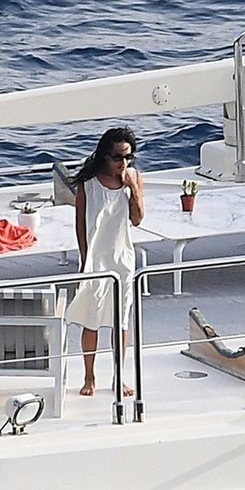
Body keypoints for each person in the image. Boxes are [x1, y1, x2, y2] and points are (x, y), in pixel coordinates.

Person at [68, 127, 144, 397]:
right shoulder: (88, 183)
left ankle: (118, 376)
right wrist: (84, 259)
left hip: (122, 259)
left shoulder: (133, 178)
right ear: (105, 156)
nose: (123, 163)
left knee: (120, 321)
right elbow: (80, 224)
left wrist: (133, 187)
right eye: (118, 157)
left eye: (128, 157)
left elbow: (137, 219)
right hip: (96, 261)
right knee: (92, 320)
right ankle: (89, 376)